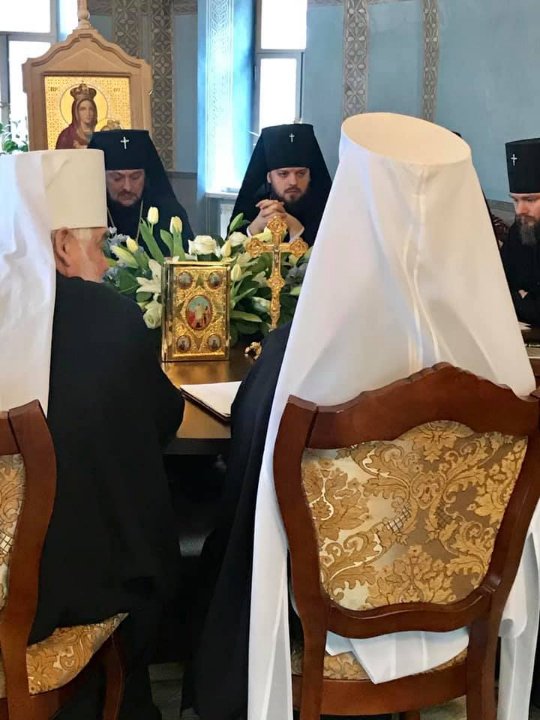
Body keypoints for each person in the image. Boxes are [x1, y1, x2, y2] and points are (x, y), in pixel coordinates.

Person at [191, 113, 536, 720]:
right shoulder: (505, 374)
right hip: (462, 618)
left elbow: (252, 489)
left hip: (328, 628)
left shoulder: (296, 357)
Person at [0, 148, 185, 719]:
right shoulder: (107, 316)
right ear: (62, 246)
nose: (105, 264)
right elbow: (163, 420)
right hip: (63, 596)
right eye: (100, 246)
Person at [88, 129, 194, 252]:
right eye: (117, 178)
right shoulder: (88, 217)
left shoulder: (169, 213)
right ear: (102, 177)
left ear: (146, 176)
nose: (127, 187)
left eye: (135, 177)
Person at [230, 123, 332, 246]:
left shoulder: (326, 211)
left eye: (301, 174)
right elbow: (230, 250)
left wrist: (295, 228)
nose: (293, 182)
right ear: (269, 177)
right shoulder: (254, 205)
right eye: (283, 174)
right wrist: (254, 228)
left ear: (310, 175)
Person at [500, 137, 540, 326]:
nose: (519, 210)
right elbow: (497, 284)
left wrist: (519, 299)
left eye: (530, 200)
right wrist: (525, 300)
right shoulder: (520, 229)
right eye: (515, 200)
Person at [55, 83, 98, 150]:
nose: (88, 113)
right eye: (83, 109)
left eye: (91, 109)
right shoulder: (66, 136)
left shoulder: (100, 134)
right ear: (76, 112)